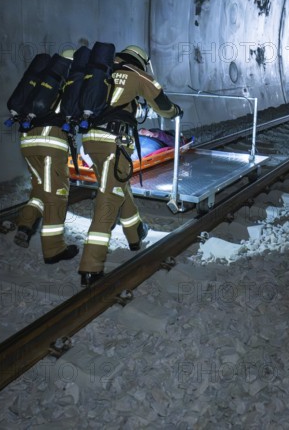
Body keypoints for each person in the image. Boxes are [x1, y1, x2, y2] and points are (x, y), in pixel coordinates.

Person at [79, 44, 183, 286]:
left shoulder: (101, 72)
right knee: (109, 198)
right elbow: (164, 107)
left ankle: (135, 233)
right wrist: (176, 111)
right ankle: (91, 267)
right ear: (140, 61)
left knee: (117, 186)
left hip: (90, 141)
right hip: (113, 142)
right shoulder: (137, 75)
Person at [14, 49, 79, 264]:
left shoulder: (41, 81)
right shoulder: (69, 81)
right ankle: (54, 250)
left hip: (27, 142)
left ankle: (25, 224)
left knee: (41, 189)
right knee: (57, 195)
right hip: (50, 143)